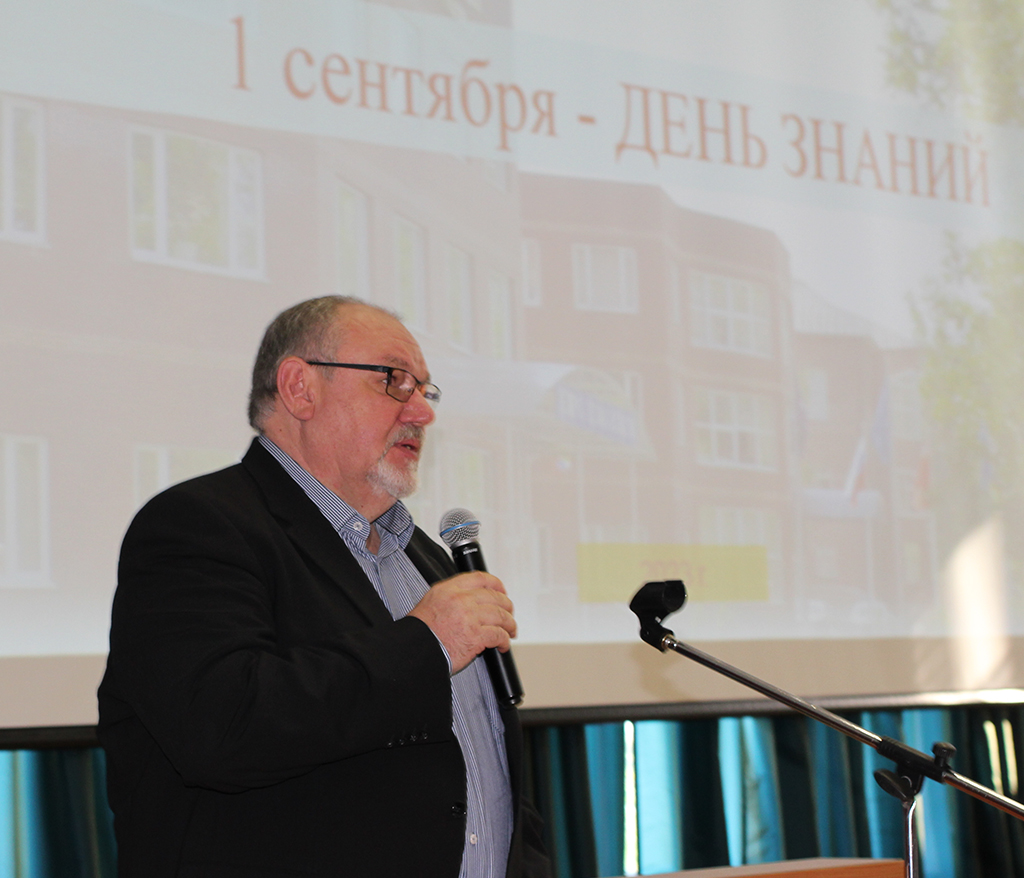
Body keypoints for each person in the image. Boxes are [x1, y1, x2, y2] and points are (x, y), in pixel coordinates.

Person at [98, 296, 552, 878]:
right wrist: (426, 644)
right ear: (300, 388)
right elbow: (221, 728)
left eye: (425, 391)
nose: (422, 412)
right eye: (394, 381)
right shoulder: (198, 526)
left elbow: (488, 770)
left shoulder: (424, 558)